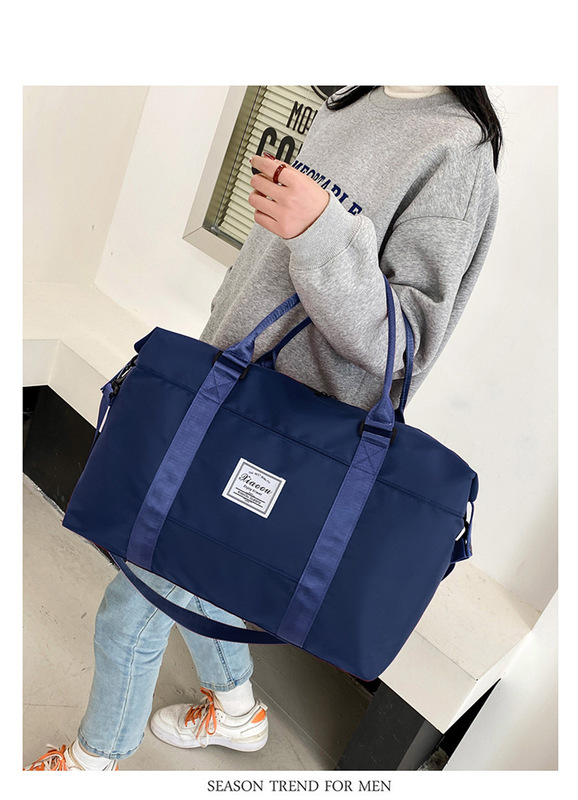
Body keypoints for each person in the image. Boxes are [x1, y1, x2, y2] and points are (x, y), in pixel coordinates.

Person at [24, 85, 501, 771]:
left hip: (294, 442)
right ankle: (237, 711)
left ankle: (91, 763)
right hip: (229, 403)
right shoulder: (353, 100)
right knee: (188, 570)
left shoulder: (456, 150)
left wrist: (323, 233)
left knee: (132, 605)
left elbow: (404, 345)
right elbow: (267, 266)